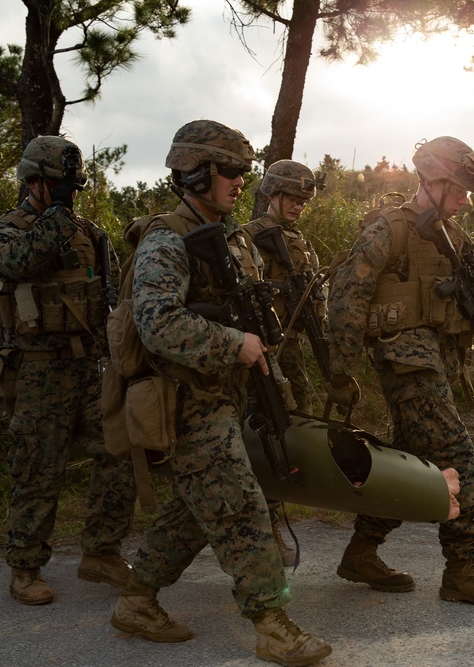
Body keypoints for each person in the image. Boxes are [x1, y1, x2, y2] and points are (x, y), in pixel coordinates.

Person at [108, 120, 331, 666]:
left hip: (226, 394)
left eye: (242, 170)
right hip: (185, 399)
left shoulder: (232, 236)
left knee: (193, 506)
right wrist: (233, 344)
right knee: (239, 508)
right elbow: (158, 323)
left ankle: (137, 600)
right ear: (197, 172)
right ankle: (271, 624)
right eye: (230, 170)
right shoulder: (166, 238)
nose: (240, 180)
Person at [325, 135, 474, 608]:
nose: (464, 198)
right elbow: (345, 300)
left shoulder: (455, 236)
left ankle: (361, 552)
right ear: (432, 181)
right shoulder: (387, 229)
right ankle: (462, 570)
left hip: (435, 361)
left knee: (410, 461)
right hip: (405, 361)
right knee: (456, 453)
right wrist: (341, 371)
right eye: (458, 187)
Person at [0, 136, 137, 606]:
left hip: (87, 369)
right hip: (36, 372)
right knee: (38, 469)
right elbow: (18, 263)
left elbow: (110, 296)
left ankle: (102, 552)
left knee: (122, 449)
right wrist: (54, 217)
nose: (68, 194)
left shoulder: (90, 232)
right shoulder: (5, 231)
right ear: (32, 182)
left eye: (72, 187)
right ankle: (26, 567)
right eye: (57, 185)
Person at [243, 160, 327, 566]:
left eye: (304, 200)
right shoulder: (252, 237)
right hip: (264, 348)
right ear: (272, 194)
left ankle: (280, 507)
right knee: (271, 430)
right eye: (292, 198)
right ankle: (268, 525)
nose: (298, 206)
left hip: (292, 347)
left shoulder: (298, 239)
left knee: (299, 422)